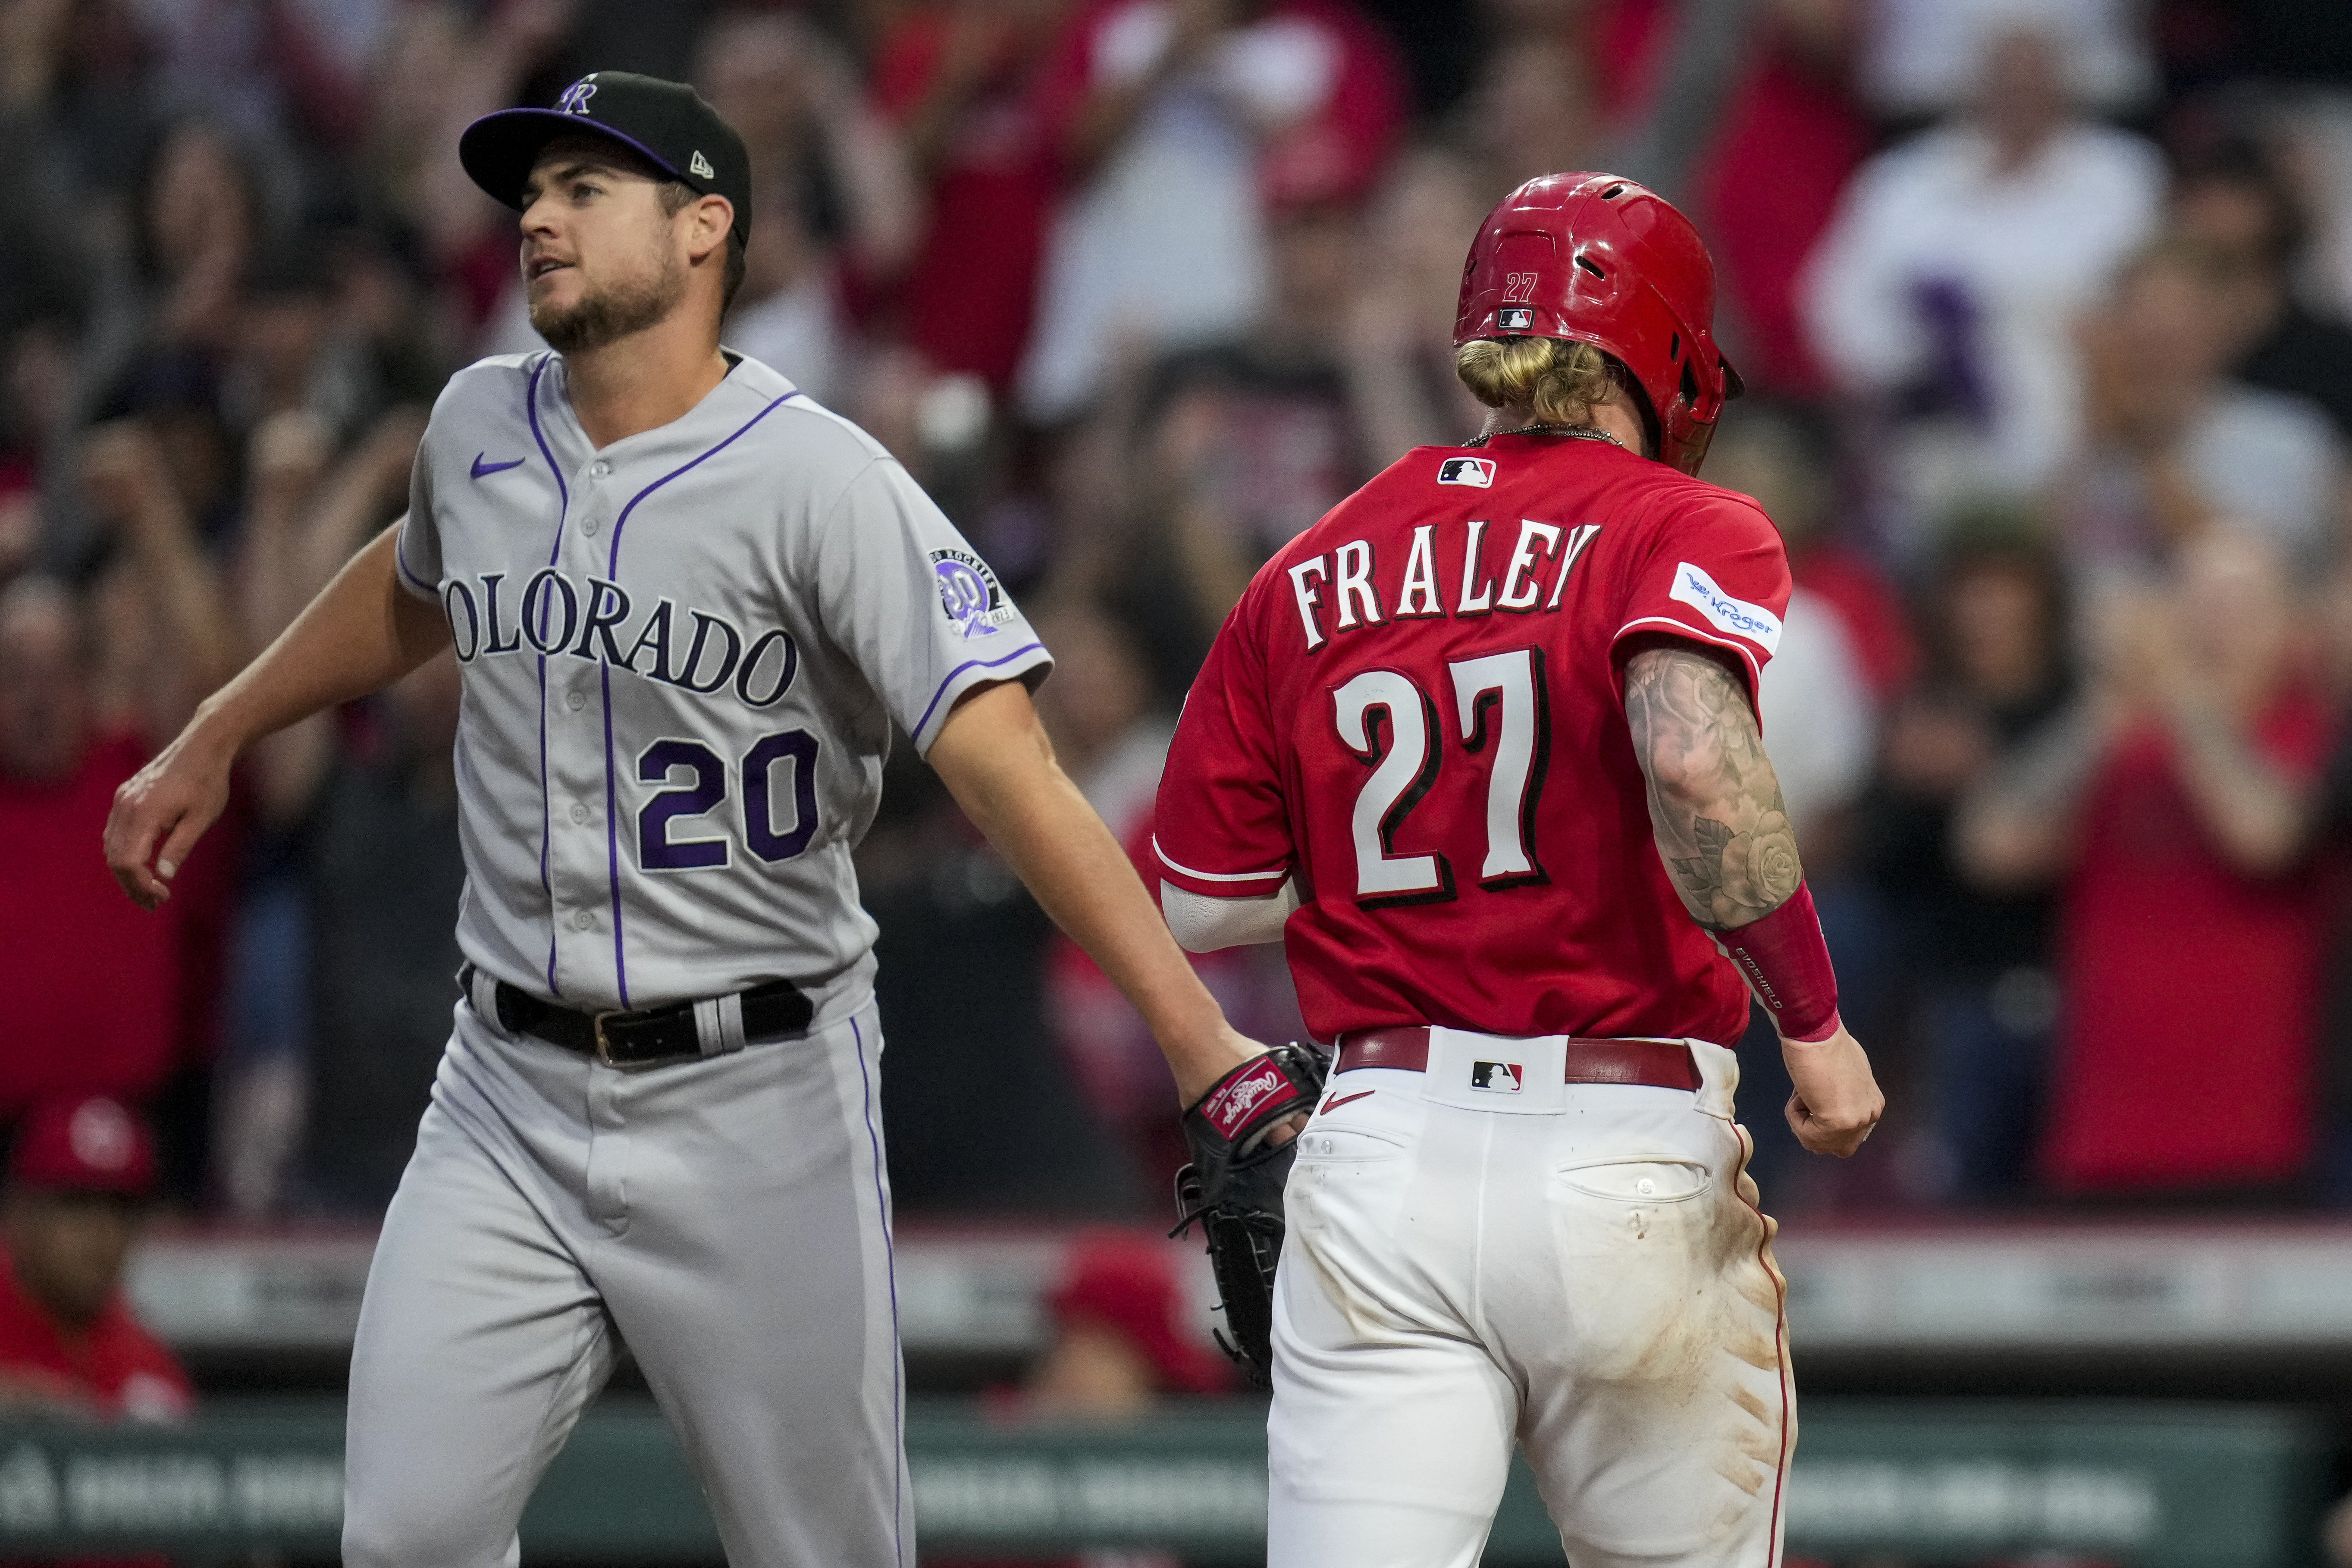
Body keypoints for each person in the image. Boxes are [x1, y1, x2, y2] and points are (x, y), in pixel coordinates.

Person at [102, 71, 1273, 1568]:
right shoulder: (478, 423)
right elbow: (419, 577)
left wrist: (1197, 1040)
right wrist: (223, 724)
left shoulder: (822, 480)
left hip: (758, 1097)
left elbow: (1012, 768)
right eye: (530, 193)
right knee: (404, 1535)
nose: (537, 217)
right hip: (503, 1094)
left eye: (586, 189)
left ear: (703, 227)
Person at [1152, 172, 1883, 1568]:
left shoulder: (1310, 561)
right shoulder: (1680, 520)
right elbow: (1688, 758)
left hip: (1377, 1147)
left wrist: (1426, 869)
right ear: (1665, 349)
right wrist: (1816, 1025)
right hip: (1621, 1150)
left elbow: (1204, 891)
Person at [0, 1094, 192, 1423]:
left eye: (121, 1208)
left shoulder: (149, 1367)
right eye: (76, 1205)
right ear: (17, 1213)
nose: (102, 1233)